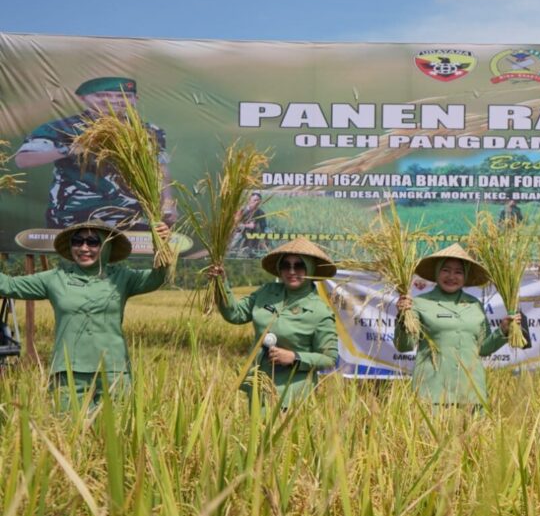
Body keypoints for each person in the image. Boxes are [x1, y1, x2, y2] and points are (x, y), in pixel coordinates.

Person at [0, 219, 172, 407]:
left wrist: (161, 244)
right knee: (68, 431)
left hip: (113, 372)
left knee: (116, 432)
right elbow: (8, 285)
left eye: (92, 242)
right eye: (77, 241)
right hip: (68, 373)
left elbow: (157, 277)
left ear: (106, 246)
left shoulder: (122, 277)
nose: (84, 248)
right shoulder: (55, 279)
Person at [14, 76, 175, 229]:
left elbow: (159, 170)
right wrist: (70, 149)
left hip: (132, 217)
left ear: (134, 99)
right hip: (72, 217)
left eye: (122, 95)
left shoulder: (148, 131)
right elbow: (23, 160)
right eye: (101, 95)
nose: (112, 101)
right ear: (83, 99)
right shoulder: (62, 128)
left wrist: (168, 205)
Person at [208, 237, 339, 409]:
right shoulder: (267, 292)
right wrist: (220, 283)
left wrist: (294, 357)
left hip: (293, 397)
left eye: (299, 265)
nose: (291, 271)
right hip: (259, 389)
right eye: (286, 265)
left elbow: (329, 358)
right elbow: (236, 314)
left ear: (310, 268)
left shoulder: (320, 312)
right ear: (279, 268)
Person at [394, 243, 520, 410]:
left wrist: (503, 331)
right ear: (437, 272)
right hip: (432, 394)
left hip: (471, 394)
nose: (452, 276)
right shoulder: (419, 303)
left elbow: (482, 349)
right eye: (446, 270)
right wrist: (403, 317)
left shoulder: (475, 305)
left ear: (466, 276)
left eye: (458, 272)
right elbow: (405, 346)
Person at [228, 192, 269, 256]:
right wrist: (247, 226)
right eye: (254, 200)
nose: (256, 202)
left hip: (252, 236)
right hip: (239, 233)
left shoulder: (261, 212)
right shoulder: (241, 210)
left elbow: (264, 226)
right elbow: (234, 224)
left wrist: (266, 235)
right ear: (249, 200)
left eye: (258, 201)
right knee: (232, 249)